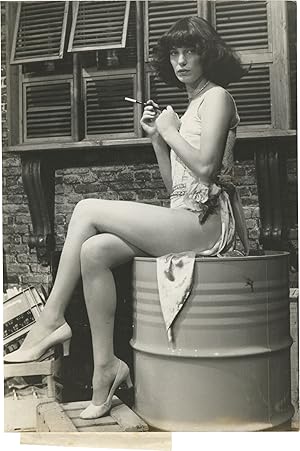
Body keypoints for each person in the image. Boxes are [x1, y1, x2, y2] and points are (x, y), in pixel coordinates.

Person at [4, 16, 248, 419]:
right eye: (174, 53)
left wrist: (170, 131)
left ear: (209, 55)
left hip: (209, 225)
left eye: (190, 52)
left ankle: (51, 318)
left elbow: (207, 171)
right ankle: (107, 367)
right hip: (185, 215)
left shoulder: (217, 97)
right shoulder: (190, 107)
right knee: (95, 251)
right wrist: (157, 138)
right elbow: (178, 188)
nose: (181, 61)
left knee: (86, 209)